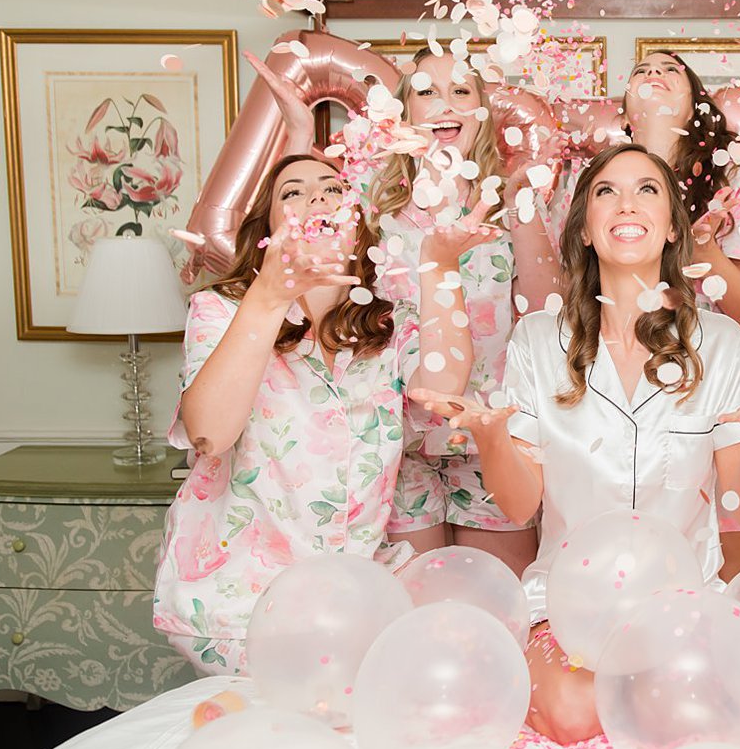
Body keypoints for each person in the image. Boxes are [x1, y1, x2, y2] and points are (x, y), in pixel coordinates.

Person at [413, 144, 740, 743]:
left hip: (684, 603)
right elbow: (520, 506)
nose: (626, 202)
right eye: (606, 190)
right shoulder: (536, 340)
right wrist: (494, 440)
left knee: (710, 708)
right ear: (582, 229)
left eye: (647, 189)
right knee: (576, 714)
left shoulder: (723, 341)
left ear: (672, 229)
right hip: (566, 605)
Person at [152, 151, 491, 675]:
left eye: (333, 188)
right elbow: (209, 434)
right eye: (292, 192)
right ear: (267, 232)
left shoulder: (386, 327)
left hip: (353, 602)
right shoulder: (221, 309)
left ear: (357, 227)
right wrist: (267, 297)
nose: (316, 198)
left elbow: (443, 390)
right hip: (241, 608)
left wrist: (439, 266)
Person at [254, 49, 560, 576]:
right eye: (426, 91)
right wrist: (298, 132)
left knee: (498, 609)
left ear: (481, 112)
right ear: (403, 116)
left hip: (490, 439)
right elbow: (296, 226)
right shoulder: (367, 206)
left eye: (462, 91)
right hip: (393, 443)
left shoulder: (512, 205)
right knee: (409, 610)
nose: (446, 102)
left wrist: (523, 209)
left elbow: (543, 315)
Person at [548, 51, 740, 339]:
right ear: (625, 117)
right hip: (610, 355)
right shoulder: (586, 178)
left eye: (670, 70)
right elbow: (562, 295)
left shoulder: (730, 176)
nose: (654, 74)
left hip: (707, 360)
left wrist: (705, 251)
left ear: (694, 109)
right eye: (641, 71)